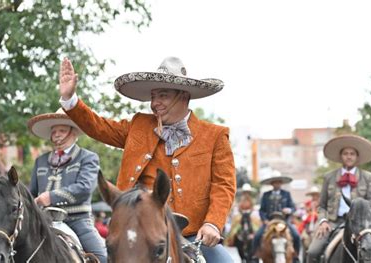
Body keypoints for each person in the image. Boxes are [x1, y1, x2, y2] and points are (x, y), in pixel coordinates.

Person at [59, 57, 236, 262]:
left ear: (184, 96)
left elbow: (223, 185)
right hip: (138, 229)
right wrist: (70, 100)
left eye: (163, 96)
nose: (154, 103)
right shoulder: (138, 125)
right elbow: (99, 127)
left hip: (194, 233)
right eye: (153, 96)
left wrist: (213, 223)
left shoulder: (215, 135)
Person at [28, 108, 107, 262]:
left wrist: (51, 197)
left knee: (103, 258)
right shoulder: (40, 161)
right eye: (54, 131)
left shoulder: (88, 158)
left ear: (74, 133)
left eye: (62, 130)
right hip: (44, 220)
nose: (56, 134)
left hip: (77, 220)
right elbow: (32, 192)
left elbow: (84, 188)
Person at [306, 134, 371, 262]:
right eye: (345, 153)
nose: (349, 156)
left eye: (352, 153)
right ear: (341, 156)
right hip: (333, 222)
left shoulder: (368, 177)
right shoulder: (329, 177)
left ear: (357, 157)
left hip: (363, 225)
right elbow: (322, 205)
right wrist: (323, 221)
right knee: (313, 252)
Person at [252, 171, 301, 260]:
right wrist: (265, 220)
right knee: (257, 236)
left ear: (281, 183)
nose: (276, 184)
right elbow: (262, 210)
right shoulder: (266, 195)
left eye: (278, 182)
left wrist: (289, 210)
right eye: (275, 182)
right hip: (269, 222)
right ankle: (255, 255)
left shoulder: (286, 194)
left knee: (296, 235)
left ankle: (296, 256)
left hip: (284, 221)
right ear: (272, 183)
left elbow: (293, 207)